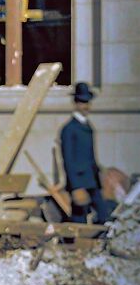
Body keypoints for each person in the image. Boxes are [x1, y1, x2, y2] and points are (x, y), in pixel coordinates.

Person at [60, 82, 111, 224]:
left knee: (103, 214)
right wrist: (75, 187)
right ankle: (77, 245)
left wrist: (99, 172)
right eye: (82, 102)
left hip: (92, 179)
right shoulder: (69, 129)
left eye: (87, 102)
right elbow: (67, 160)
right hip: (79, 180)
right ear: (76, 103)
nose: (86, 106)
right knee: (79, 217)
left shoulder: (87, 126)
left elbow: (90, 155)